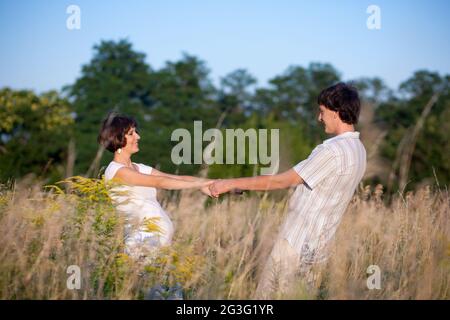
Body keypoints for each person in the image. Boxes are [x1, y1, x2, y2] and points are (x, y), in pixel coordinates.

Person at [209, 83, 367, 299]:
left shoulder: (332, 150)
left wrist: (228, 184)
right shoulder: (358, 150)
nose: (319, 118)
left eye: (322, 112)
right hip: (320, 244)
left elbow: (283, 181)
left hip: (297, 241)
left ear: (337, 112)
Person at [98, 113, 213, 259]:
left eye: (136, 132)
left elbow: (172, 177)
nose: (138, 137)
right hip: (141, 247)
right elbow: (160, 182)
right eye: (131, 133)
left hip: (157, 248)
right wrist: (199, 184)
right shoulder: (117, 171)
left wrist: (209, 183)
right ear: (117, 137)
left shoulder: (139, 167)